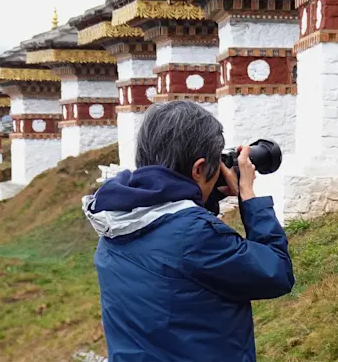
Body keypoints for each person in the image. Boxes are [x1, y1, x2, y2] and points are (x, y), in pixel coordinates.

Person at [82, 101, 295, 362]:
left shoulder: (116, 218)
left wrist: (201, 198)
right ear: (198, 169)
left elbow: (173, 250)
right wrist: (248, 197)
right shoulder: (194, 236)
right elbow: (275, 272)